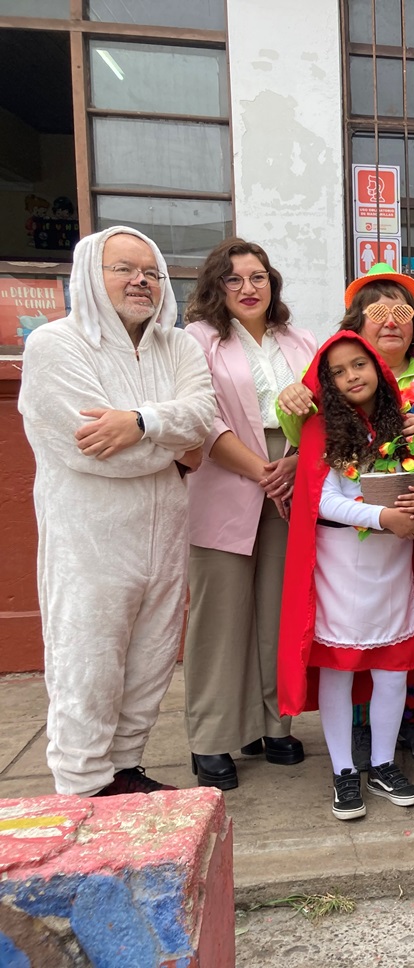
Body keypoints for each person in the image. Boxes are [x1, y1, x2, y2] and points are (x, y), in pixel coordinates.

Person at [18, 226, 216, 797]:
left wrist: (137, 424)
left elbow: (200, 417)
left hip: (165, 536)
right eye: (123, 269)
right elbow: (90, 450)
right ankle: (82, 781)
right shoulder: (56, 345)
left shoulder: (178, 346)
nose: (140, 281)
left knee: (152, 659)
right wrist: (172, 444)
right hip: (92, 541)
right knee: (89, 659)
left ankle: (124, 767)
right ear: (89, 275)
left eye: (150, 272)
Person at [278, 263, 414, 768]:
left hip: (408, 535)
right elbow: (305, 442)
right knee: (343, 655)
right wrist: (288, 396)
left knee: (407, 645)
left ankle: (410, 729)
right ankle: (353, 751)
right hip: (348, 549)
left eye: (401, 311)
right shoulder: (330, 393)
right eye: (377, 311)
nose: (390, 322)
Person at [182, 239, 317, 790]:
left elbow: (325, 409)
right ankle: (211, 738)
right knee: (220, 618)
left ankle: (272, 724)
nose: (248, 288)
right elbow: (201, 420)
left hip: (293, 477)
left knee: (277, 612)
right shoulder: (198, 341)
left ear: (273, 282)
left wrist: (293, 466)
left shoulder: (300, 339)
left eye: (258, 276)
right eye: (234, 279)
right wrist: (263, 471)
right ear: (216, 286)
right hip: (226, 478)